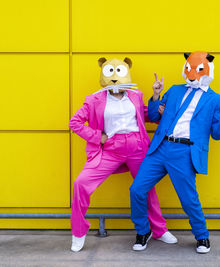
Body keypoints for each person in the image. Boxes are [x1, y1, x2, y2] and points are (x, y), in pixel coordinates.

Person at [129, 51, 220, 253]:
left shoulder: (215, 100)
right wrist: (156, 95)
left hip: (185, 152)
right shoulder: (175, 90)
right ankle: (143, 231)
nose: (192, 72)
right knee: (137, 190)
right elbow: (153, 116)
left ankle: (202, 236)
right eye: (189, 67)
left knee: (188, 199)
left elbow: (217, 134)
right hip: (161, 147)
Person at [69, 57, 177, 252]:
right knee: (81, 184)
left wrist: (156, 97)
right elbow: (74, 123)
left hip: (138, 146)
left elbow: (145, 114)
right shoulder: (94, 99)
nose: (115, 78)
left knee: (146, 187)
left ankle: (159, 230)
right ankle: (78, 232)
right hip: (110, 148)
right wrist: (97, 137)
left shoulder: (135, 95)